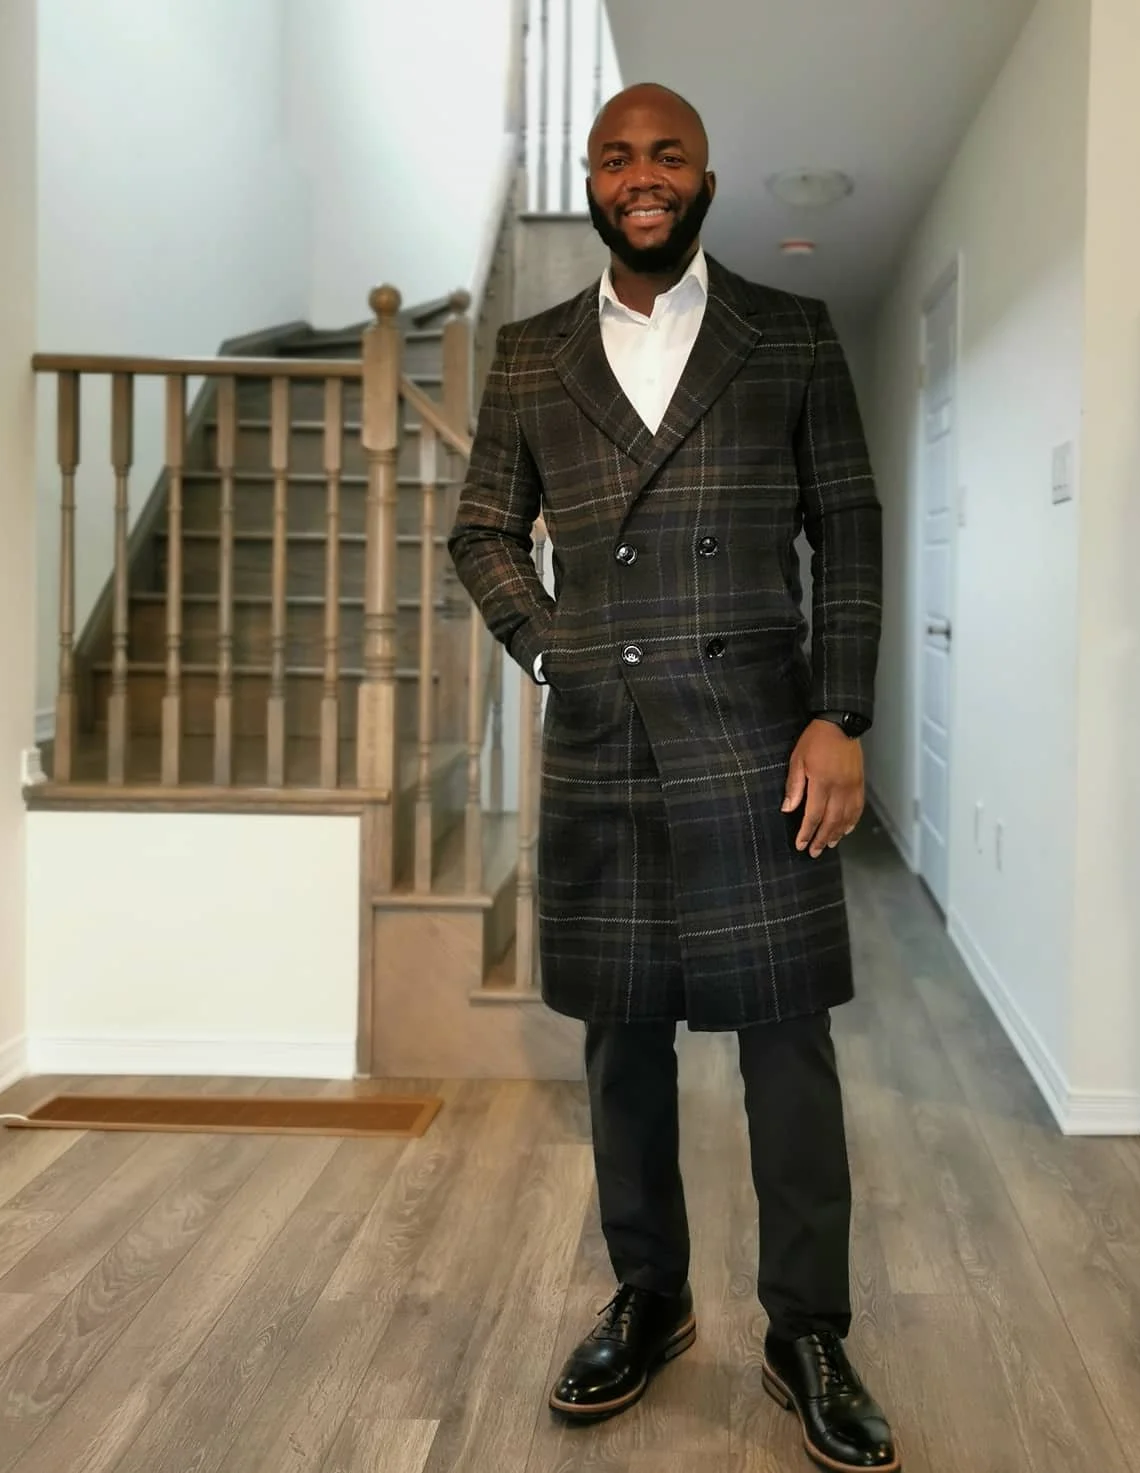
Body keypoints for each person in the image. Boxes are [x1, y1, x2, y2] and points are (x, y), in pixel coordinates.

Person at [448, 82, 895, 1473]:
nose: (641, 176)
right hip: (606, 741)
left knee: (787, 1043)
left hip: (761, 741)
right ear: (590, 179)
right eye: (616, 157)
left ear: (703, 175)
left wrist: (840, 714)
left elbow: (851, 529)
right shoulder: (529, 353)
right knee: (622, 1042)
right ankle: (651, 1298)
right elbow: (482, 532)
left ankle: (806, 1328)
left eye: (667, 154)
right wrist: (556, 649)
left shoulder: (788, 333)